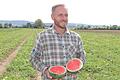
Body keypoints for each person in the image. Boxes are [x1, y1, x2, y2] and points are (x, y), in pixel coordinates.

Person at [30, 4, 86, 80]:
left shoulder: (76, 37)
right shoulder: (42, 36)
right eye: (60, 15)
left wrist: (76, 67)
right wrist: (45, 70)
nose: (64, 18)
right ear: (52, 17)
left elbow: (82, 56)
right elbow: (34, 58)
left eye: (66, 15)